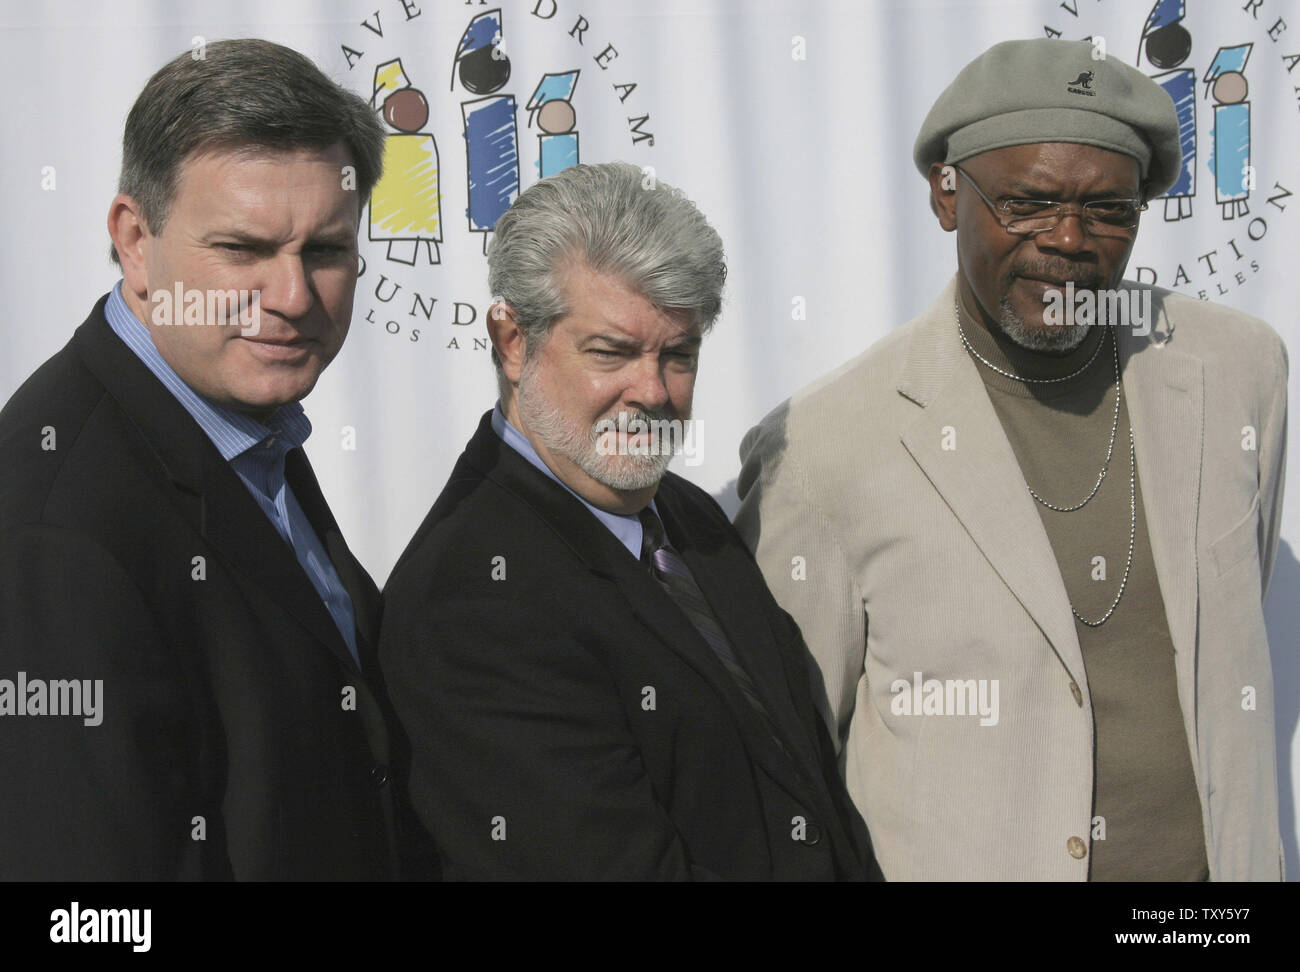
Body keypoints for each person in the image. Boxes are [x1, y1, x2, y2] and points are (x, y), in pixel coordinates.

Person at [736, 38, 1287, 881]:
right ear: (947, 196)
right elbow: (784, 752)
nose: (1069, 239)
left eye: (1108, 211)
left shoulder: (1237, 370)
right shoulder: (822, 444)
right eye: (1028, 204)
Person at [379, 162, 879, 880]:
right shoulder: (471, 602)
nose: (652, 391)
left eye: (679, 355)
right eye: (611, 352)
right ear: (513, 340)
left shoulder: (688, 516)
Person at [0, 39, 417, 879]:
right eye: (243, 250)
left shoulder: (241, 422)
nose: (293, 298)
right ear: (135, 241)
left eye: (326, 252)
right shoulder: (57, 527)